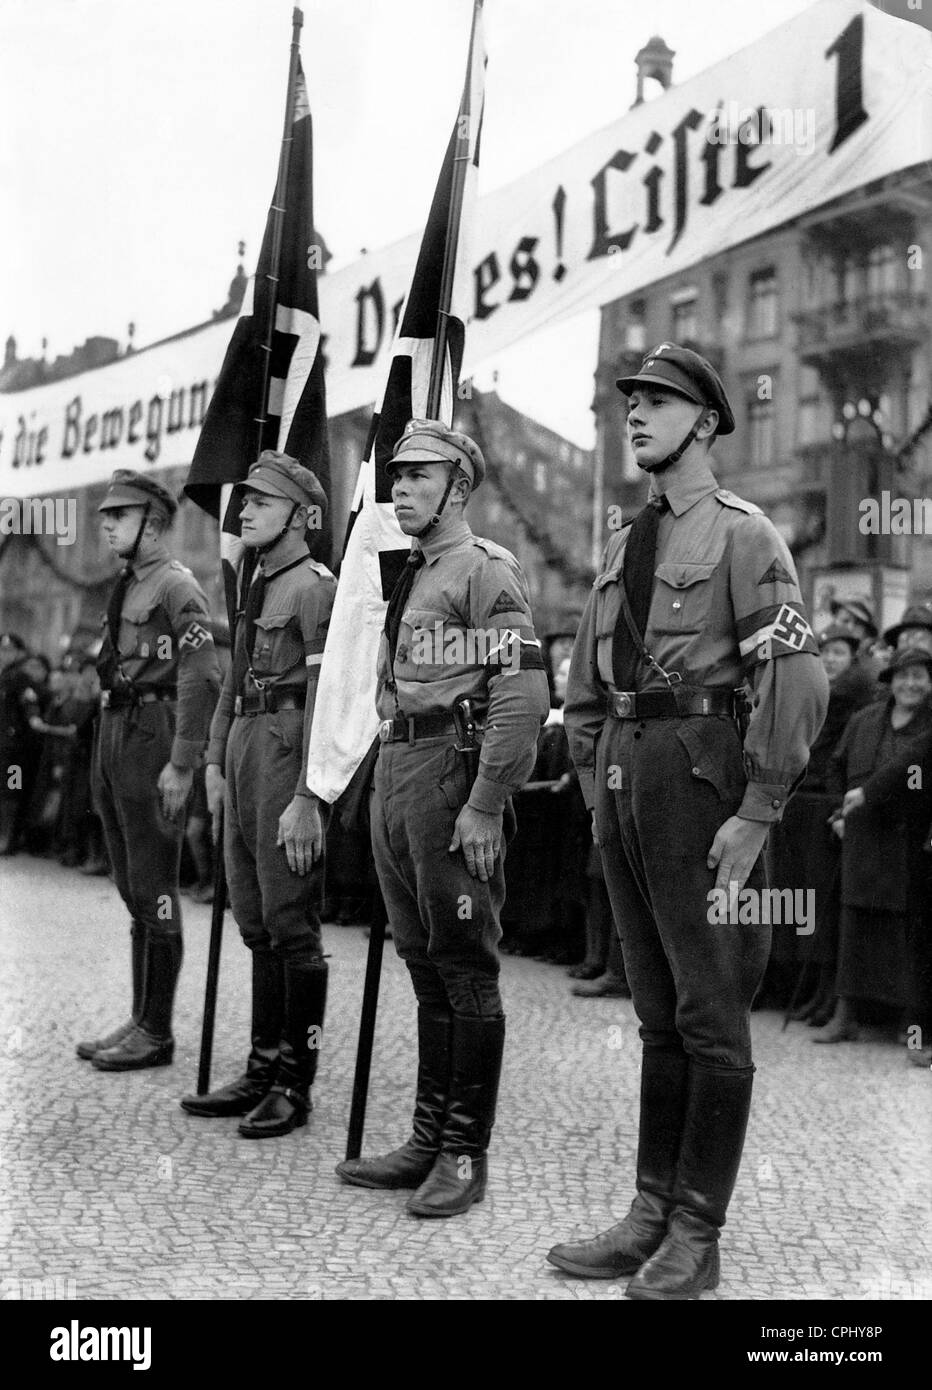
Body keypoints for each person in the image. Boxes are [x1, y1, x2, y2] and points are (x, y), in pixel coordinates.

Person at [549, 343, 828, 1299]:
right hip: (628, 784)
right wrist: (595, 794)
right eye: (631, 401)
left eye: (658, 402)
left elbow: (795, 677)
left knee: (711, 1014)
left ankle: (697, 1235)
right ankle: (649, 1212)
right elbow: (587, 688)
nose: (635, 415)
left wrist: (758, 813)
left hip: (703, 785)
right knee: (657, 1010)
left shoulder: (749, 537)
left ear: (706, 422)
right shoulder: (626, 541)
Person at [335, 419, 550, 1217]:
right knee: (423, 958)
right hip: (401, 769)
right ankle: (428, 1138)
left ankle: (465, 1151)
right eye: (397, 477)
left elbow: (522, 695)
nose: (401, 489)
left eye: (418, 477)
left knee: (464, 962)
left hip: (451, 779)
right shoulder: (414, 572)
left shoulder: (483, 572)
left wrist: (487, 804)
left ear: (459, 487)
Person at [180, 452, 335, 1139]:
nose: (243, 512)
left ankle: (294, 1086)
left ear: (302, 516)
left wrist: (309, 795)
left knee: (291, 921)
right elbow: (233, 682)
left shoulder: (313, 589)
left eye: (260, 503)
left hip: (284, 757)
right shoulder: (253, 581)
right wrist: (213, 763)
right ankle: (262, 1065)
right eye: (244, 502)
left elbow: (330, 705)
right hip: (243, 750)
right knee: (252, 916)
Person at [77, 470, 221, 1071]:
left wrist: (183, 762)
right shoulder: (128, 584)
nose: (107, 524)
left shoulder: (176, 588)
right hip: (114, 734)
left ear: (154, 525)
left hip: (153, 736)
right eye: (105, 516)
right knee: (133, 884)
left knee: (156, 882)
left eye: (120, 516)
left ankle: (156, 1032)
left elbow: (202, 674)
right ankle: (141, 1017)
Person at [814, 647, 932, 1044]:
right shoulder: (863, 721)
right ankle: (845, 1016)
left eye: (919, 677)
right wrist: (838, 815)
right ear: (890, 681)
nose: (910, 684)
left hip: (908, 844)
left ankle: (906, 1023)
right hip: (861, 840)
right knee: (853, 930)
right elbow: (835, 767)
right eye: (903, 676)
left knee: (904, 935)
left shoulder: (929, 728)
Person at [0, 633, 39, 855]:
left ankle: (9, 838)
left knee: (12, 792)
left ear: (19, 652)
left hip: (15, 747)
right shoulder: (5, 675)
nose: (5, 654)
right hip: (4, 745)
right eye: (2, 650)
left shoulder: (20, 676)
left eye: (9, 650)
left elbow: (32, 700)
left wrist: (32, 719)